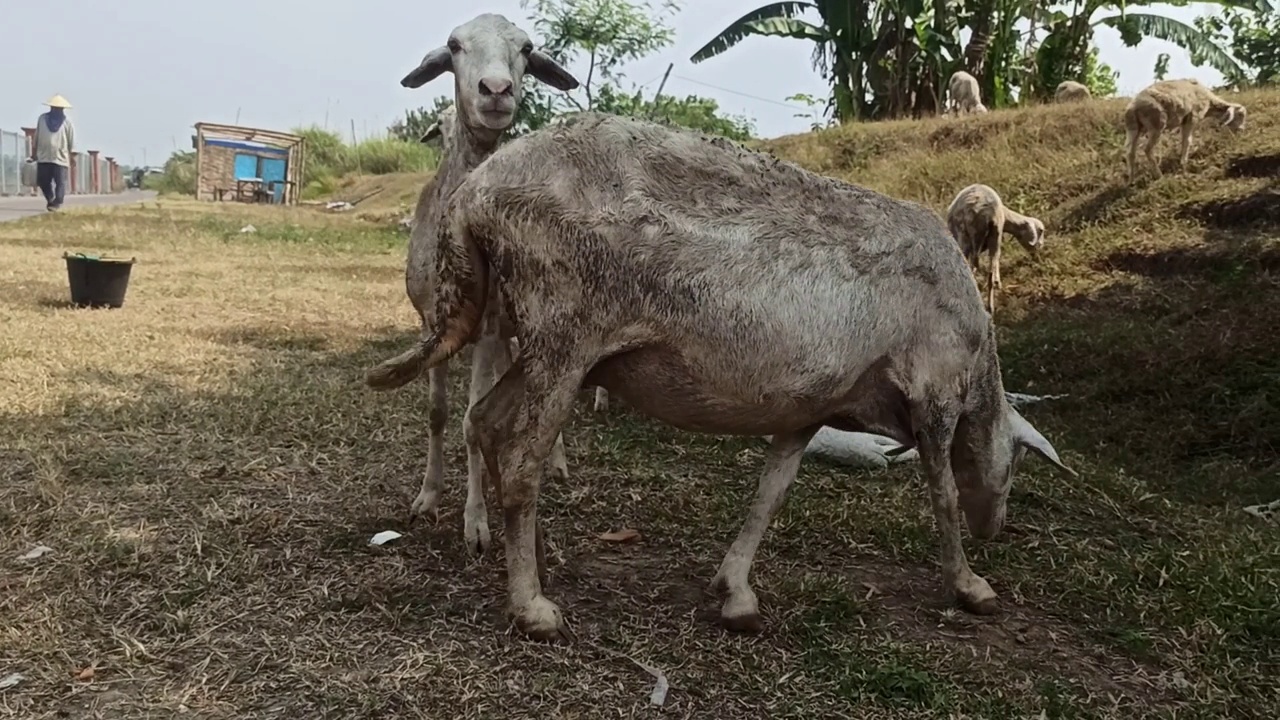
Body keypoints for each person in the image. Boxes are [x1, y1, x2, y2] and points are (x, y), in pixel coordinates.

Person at [32, 94, 76, 211]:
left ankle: (57, 202)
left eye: (59, 108)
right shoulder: (42, 119)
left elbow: (71, 141)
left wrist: (71, 157)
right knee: (42, 181)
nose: (56, 110)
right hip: (44, 156)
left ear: (62, 109)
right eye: (54, 108)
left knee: (60, 182)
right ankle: (50, 198)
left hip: (60, 157)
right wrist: (34, 152)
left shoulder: (67, 123)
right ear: (50, 108)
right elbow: (37, 136)